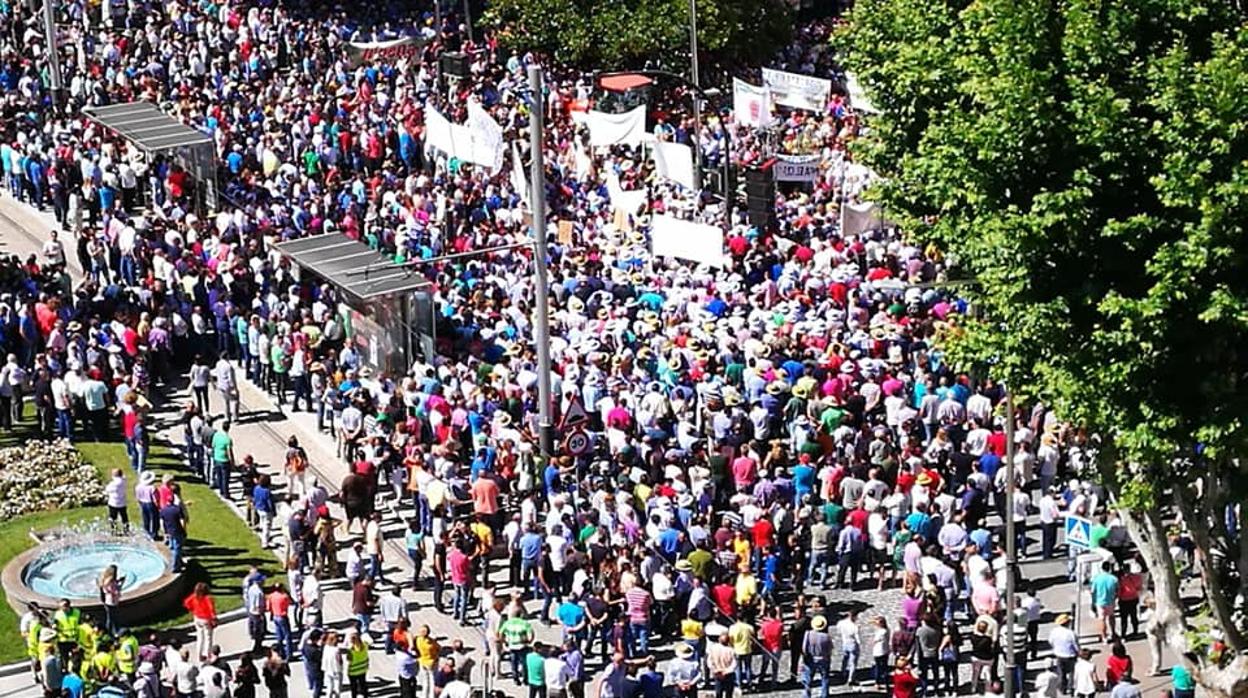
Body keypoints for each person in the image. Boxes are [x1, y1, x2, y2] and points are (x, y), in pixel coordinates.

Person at [801, 615, 832, 698]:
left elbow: (804, 647)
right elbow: (829, 649)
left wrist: (804, 657)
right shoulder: (826, 636)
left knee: (808, 678)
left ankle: (807, 695)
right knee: (824, 678)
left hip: (811, 658)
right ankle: (824, 694)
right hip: (823, 659)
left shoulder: (808, 634)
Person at [96, 564, 124, 636]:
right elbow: (113, 591)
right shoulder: (110, 581)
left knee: (111, 617)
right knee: (112, 618)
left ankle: (111, 631)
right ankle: (112, 632)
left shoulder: (106, 579)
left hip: (108, 601)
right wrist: (121, 585)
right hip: (112, 601)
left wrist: (118, 582)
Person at [347, 628, 371, 698]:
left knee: (354, 688)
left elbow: (348, 659)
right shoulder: (365, 645)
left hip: (353, 671)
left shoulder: (351, 650)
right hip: (363, 669)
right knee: (363, 685)